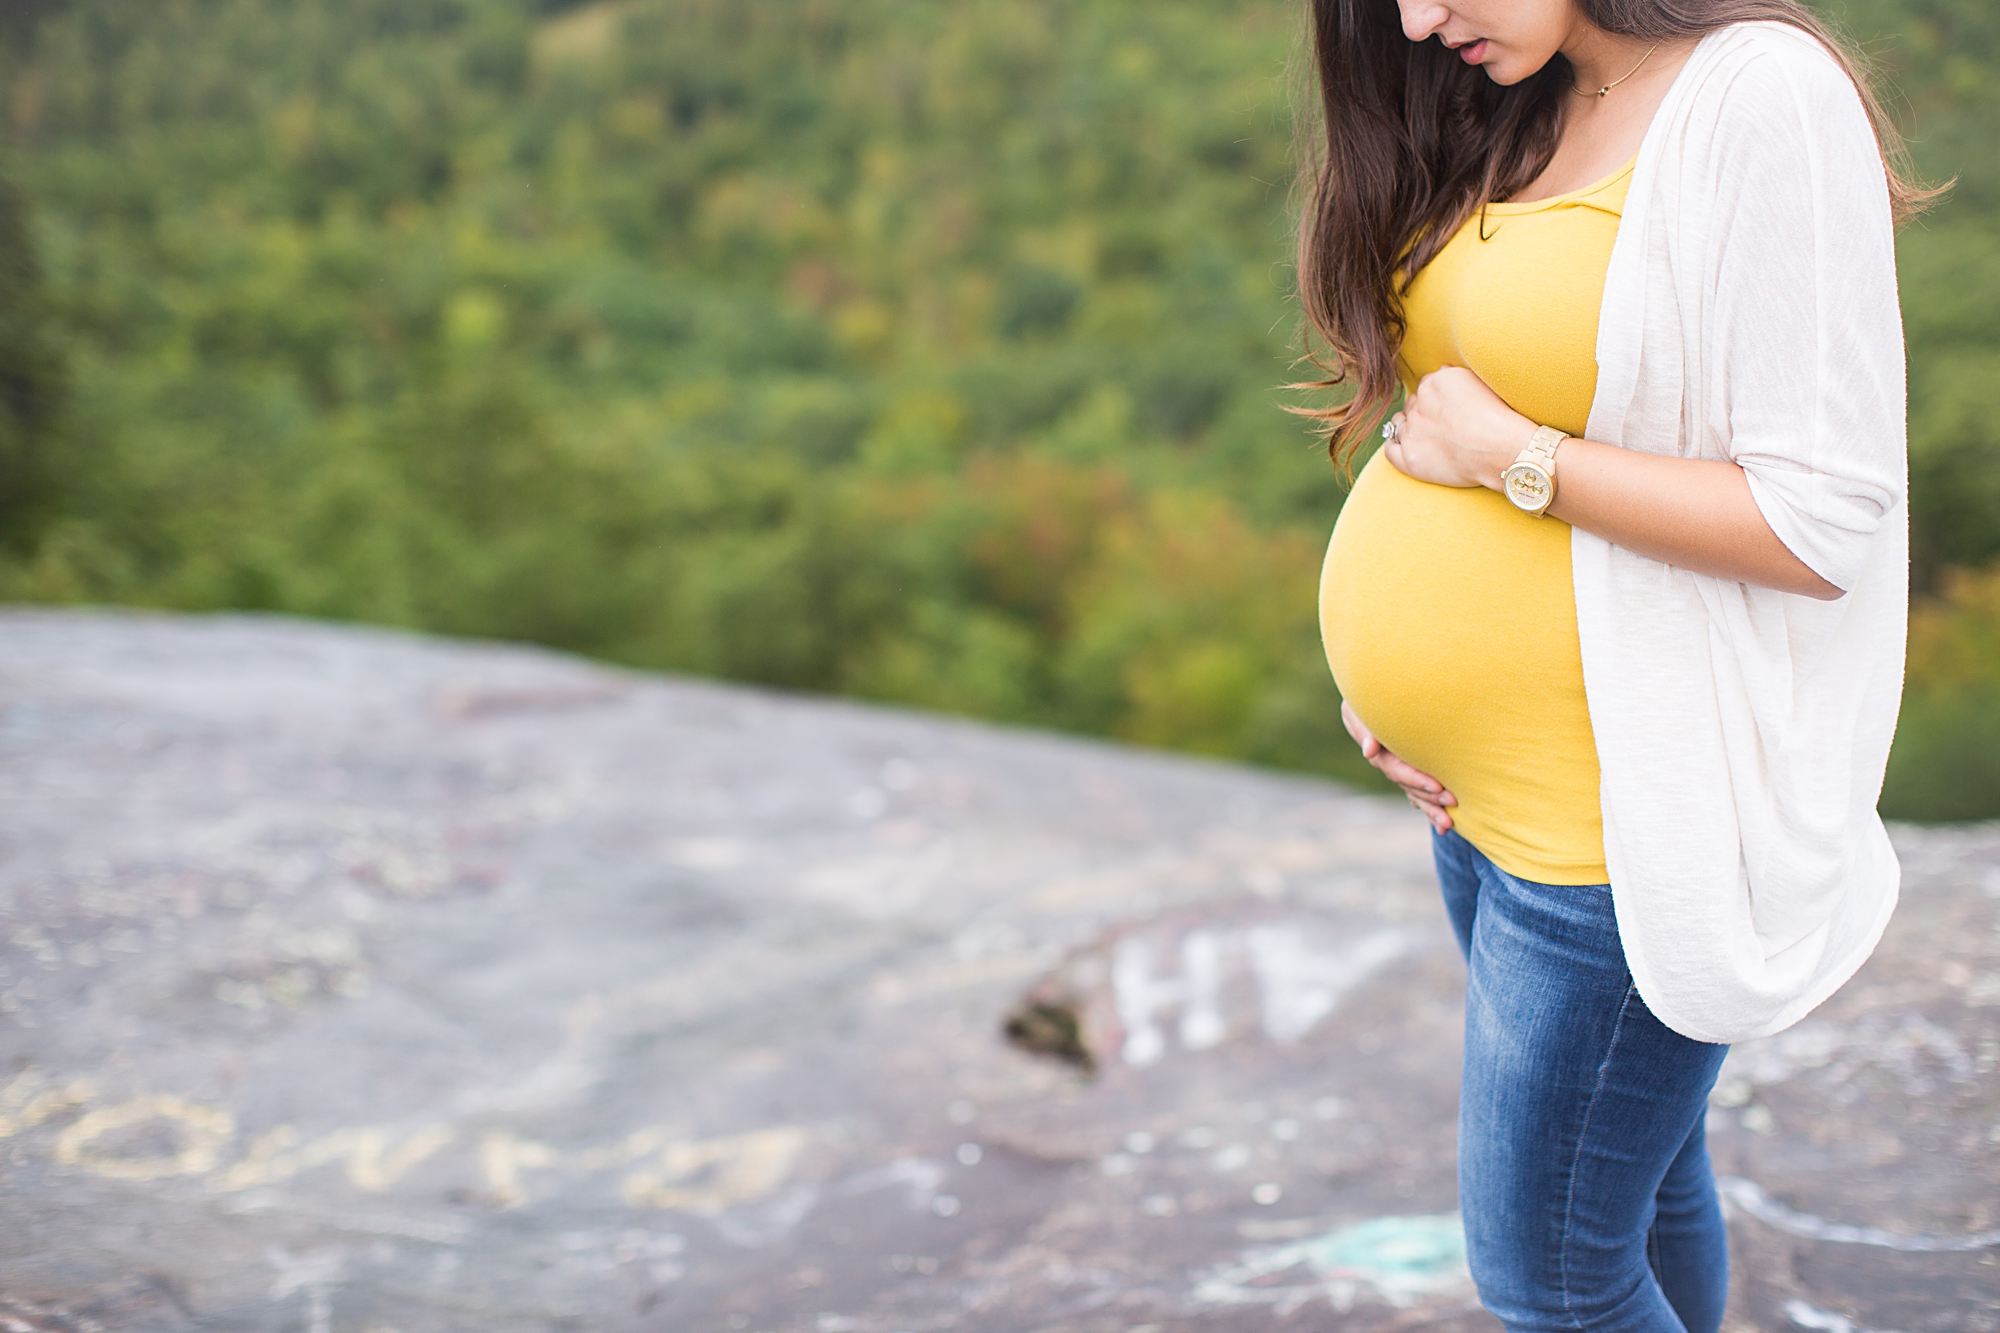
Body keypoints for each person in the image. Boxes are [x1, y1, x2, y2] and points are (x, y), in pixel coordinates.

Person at [1294, 1, 1936, 1330]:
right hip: (1486, 804)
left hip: (1616, 828)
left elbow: (1815, 521)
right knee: (1633, 1193)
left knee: (1552, 1281)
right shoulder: (1524, 92)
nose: (1417, 19)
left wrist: (1506, 461)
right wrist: (1393, 673)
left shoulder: (1760, 95)